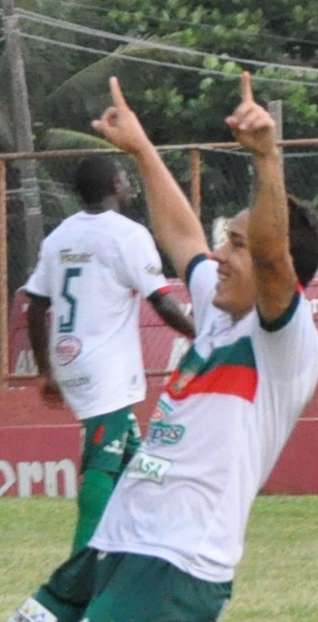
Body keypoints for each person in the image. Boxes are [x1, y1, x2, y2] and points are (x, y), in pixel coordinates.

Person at [0, 72, 318, 622]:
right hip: (114, 545)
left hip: (178, 559)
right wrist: (140, 148)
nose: (219, 254)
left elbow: (273, 255)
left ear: (280, 270)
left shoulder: (285, 342)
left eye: (239, 246)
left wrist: (266, 157)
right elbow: (183, 233)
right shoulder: (219, 315)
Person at [23, 155, 194, 554]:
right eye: (124, 176)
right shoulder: (128, 235)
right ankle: (81, 568)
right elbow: (164, 304)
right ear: (115, 185)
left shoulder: (59, 237)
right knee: (102, 461)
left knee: (139, 463)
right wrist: (203, 338)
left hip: (70, 360)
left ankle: (163, 543)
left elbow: (34, 304)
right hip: (106, 368)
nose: (129, 182)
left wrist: (45, 371)